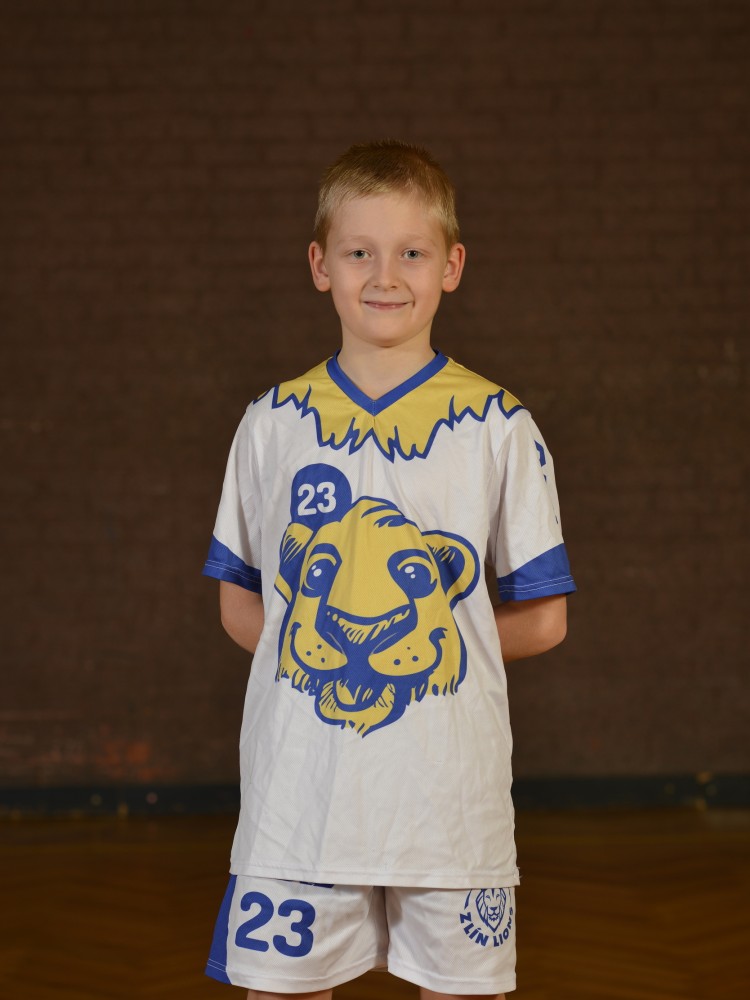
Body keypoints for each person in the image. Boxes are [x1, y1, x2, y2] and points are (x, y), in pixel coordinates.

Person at [202, 140, 576, 1000]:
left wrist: (418, 648)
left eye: (411, 252)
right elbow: (240, 606)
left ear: (452, 266)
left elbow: (544, 618)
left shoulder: (498, 424)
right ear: (319, 266)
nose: (384, 275)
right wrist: (329, 657)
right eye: (358, 252)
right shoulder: (270, 423)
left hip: (448, 799)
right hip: (301, 795)